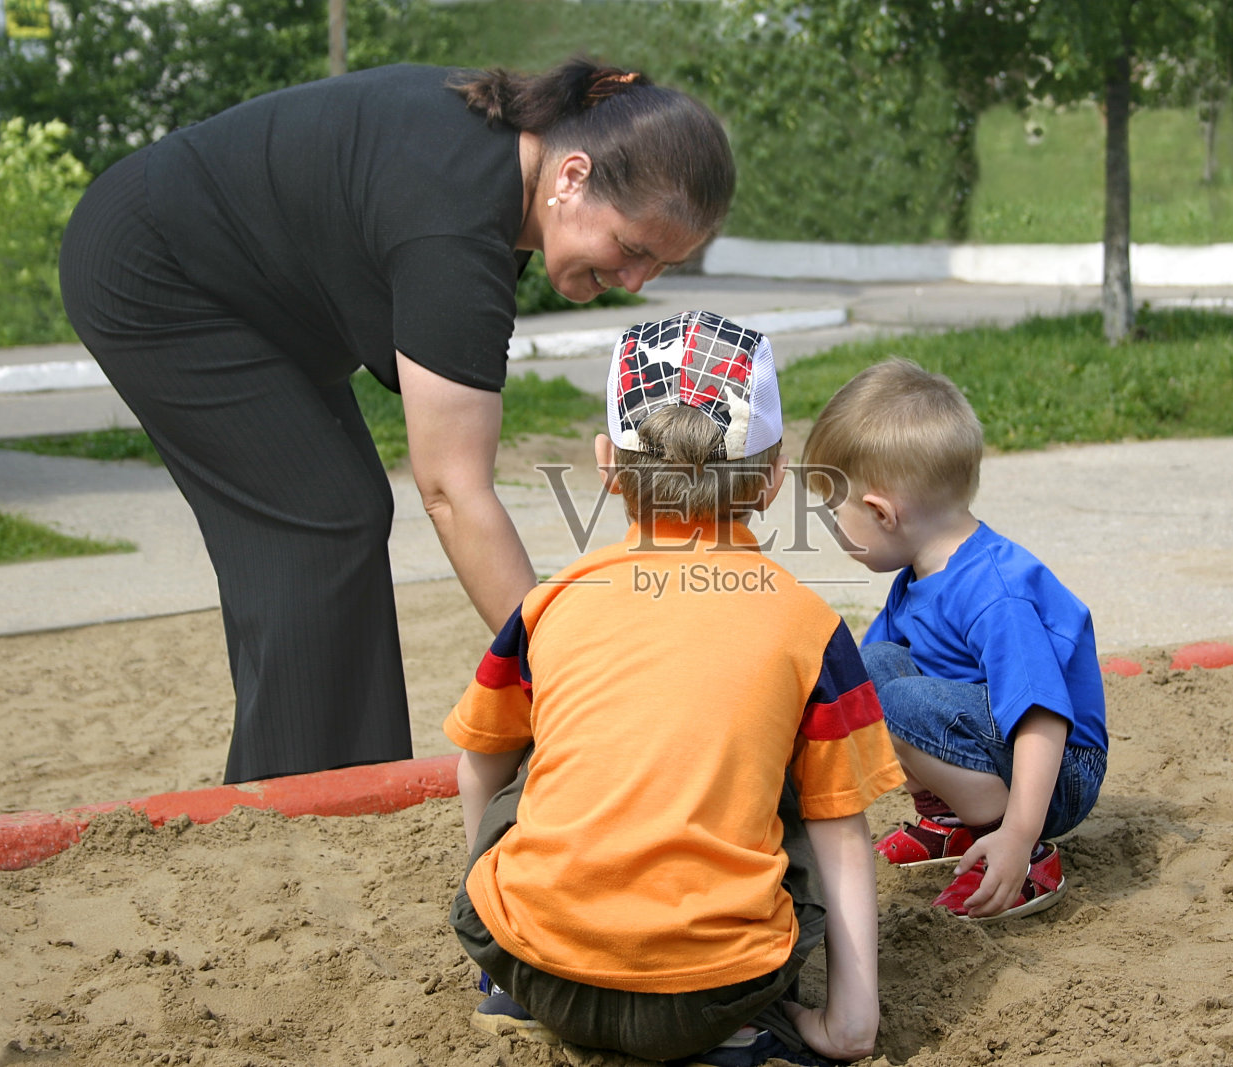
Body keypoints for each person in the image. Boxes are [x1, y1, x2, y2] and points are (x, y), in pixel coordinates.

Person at [58, 60, 733, 784]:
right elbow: (451, 490)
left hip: (248, 294)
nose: (634, 283)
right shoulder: (457, 223)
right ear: (571, 176)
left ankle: (343, 783)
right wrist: (568, 677)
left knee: (339, 511)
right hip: (157, 274)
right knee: (319, 517)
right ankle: (296, 797)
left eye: (662, 266)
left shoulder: (499, 171)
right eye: (632, 249)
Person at [443, 311, 905, 1066]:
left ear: (605, 464)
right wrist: (852, 1022)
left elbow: (476, 769)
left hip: (542, 967)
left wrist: (501, 951)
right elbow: (842, 831)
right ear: (774, 475)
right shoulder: (810, 626)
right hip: (710, 996)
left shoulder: (550, 604)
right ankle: (745, 1036)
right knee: (801, 790)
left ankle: (506, 994)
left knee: (518, 761)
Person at [801, 358, 1108, 921]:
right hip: (991, 741)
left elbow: (1043, 718)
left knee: (898, 701)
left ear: (881, 512)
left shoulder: (996, 592)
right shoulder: (917, 577)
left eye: (833, 514)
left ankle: (1022, 856)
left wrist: (1019, 833)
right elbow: (858, 693)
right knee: (870, 671)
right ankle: (952, 821)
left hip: (1057, 770)